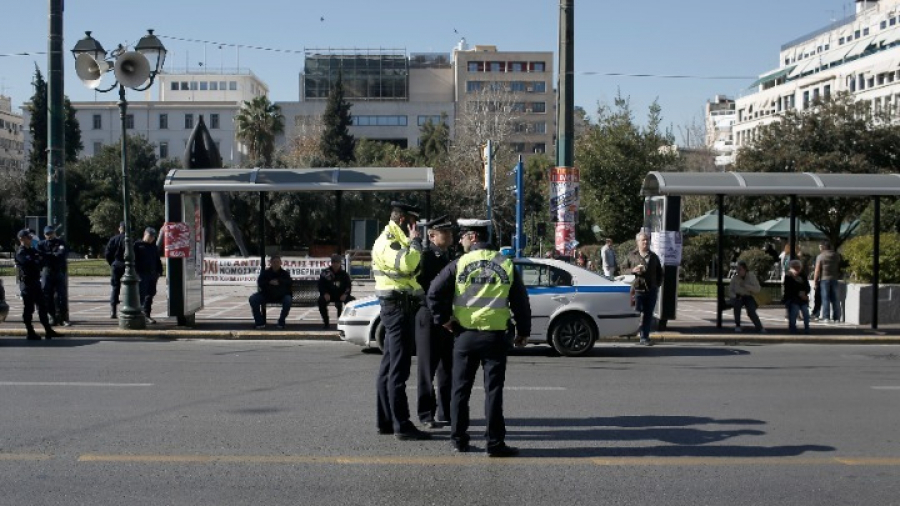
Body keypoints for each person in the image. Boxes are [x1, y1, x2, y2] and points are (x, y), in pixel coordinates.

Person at [427, 219, 530, 456]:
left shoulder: (460, 263)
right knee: (493, 391)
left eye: (463, 235)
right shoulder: (505, 264)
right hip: (495, 337)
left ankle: (458, 440)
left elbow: (433, 292)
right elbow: (520, 301)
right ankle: (494, 444)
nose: (461, 240)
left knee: (460, 390)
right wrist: (524, 331)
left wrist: (444, 320)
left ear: (473, 237)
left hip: (464, 335)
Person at [373, 201, 431, 441]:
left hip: (400, 306)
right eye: (412, 222)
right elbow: (408, 263)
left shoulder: (398, 239)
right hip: (396, 308)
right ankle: (401, 425)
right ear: (402, 220)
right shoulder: (389, 241)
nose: (415, 227)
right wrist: (416, 242)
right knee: (399, 368)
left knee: (389, 366)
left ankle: (386, 421)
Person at [415, 215, 455, 430]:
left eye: (450, 232)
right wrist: (441, 316)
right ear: (431, 235)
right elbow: (424, 292)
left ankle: (445, 411)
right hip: (430, 317)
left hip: (448, 318)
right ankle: (426, 413)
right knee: (427, 368)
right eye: (445, 232)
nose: (449, 236)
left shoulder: (449, 256)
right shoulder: (426, 257)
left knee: (447, 367)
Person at [14, 229, 59, 340]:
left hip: (35, 282)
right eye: (28, 237)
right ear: (22, 239)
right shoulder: (21, 252)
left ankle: (48, 330)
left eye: (30, 237)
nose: (30, 239)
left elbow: (41, 260)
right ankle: (30, 331)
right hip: (27, 283)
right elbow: (29, 263)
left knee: (42, 306)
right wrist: (36, 261)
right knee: (29, 309)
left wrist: (37, 261)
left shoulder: (32, 251)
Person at [621, 231, 664, 346]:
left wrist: (657, 284)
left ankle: (644, 337)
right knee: (635, 313)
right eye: (643, 240)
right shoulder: (631, 255)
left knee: (648, 314)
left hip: (651, 290)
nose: (645, 242)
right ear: (637, 242)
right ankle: (631, 332)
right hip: (637, 289)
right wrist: (632, 271)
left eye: (647, 240)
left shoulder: (653, 256)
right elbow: (622, 270)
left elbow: (660, 272)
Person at [248, 255, 293, 330]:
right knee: (253, 299)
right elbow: (260, 282)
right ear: (271, 263)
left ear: (280, 263)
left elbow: (289, 282)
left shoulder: (285, 273)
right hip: (267, 295)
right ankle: (259, 322)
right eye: (274, 262)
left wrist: (279, 281)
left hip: (281, 296)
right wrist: (269, 282)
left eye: (277, 262)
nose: (276, 264)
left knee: (288, 300)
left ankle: (281, 322)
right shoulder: (265, 273)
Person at [38, 225, 70, 326]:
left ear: (54, 233)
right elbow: (40, 257)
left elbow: (60, 255)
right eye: (48, 234)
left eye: (51, 233)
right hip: (46, 271)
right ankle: (51, 316)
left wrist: (47, 255)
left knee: (61, 296)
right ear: (44, 235)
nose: (50, 235)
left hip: (58, 271)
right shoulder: (41, 244)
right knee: (47, 296)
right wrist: (52, 255)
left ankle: (63, 318)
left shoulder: (61, 243)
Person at [133, 227, 163, 324]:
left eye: (153, 237)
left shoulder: (153, 247)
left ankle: (147, 314)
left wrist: (159, 272)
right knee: (142, 295)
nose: (151, 238)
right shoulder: (137, 246)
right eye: (150, 236)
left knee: (150, 295)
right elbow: (133, 261)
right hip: (142, 274)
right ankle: (139, 315)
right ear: (145, 234)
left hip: (152, 275)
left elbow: (157, 260)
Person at [317, 253, 352, 329]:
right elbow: (320, 285)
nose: (335, 264)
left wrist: (345, 294)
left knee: (351, 301)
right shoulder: (325, 273)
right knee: (321, 301)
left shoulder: (344, 274)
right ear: (331, 263)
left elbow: (348, 286)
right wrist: (325, 293)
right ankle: (326, 323)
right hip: (329, 295)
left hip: (340, 295)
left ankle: (343, 321)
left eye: (337, 262)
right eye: (334, 262)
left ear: (340, 263)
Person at [729, 260, 764, 333]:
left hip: (749, 296)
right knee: (737, 305)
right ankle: (738, 325)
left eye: (740, 269)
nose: (738, 271)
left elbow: (758, 289)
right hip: (738, 296)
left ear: (745, 269)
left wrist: (746, 286)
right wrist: (735, 295)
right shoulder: (735, 278)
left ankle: (759, 327)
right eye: (737, 269)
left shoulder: (751, 276)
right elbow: (730, 290)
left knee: (751, 310)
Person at [814, 241, 842, 324]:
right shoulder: (836, 255)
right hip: (834, 279)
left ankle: (826, 317)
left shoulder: (820, 256)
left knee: (825, 298)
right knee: (835, 299)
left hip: (824, 279)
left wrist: (815, 281)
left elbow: (817, 270)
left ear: (823, 247)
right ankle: (836, 318)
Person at [104, 222, 127, 319]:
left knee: (115, 287)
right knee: (132, 287)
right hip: (127, 264)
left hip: (116, 264)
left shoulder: (113, 239)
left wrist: (112, 263)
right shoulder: (129, 239)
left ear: (119, 228)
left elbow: (107, 253)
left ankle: (113, 310)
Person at [783, 259, 811, 334]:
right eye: (795, 267)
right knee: (794, 310)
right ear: (791, 267)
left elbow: (807, 287)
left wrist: (805, 293)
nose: (797, 269)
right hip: (792, 298)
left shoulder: (803, 276)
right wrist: (799, 293)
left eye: (798, 267)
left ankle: (807, 328)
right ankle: (792, 328)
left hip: (802, 298)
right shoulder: (788, 276)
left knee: (805, 311)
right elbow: (789, 289)